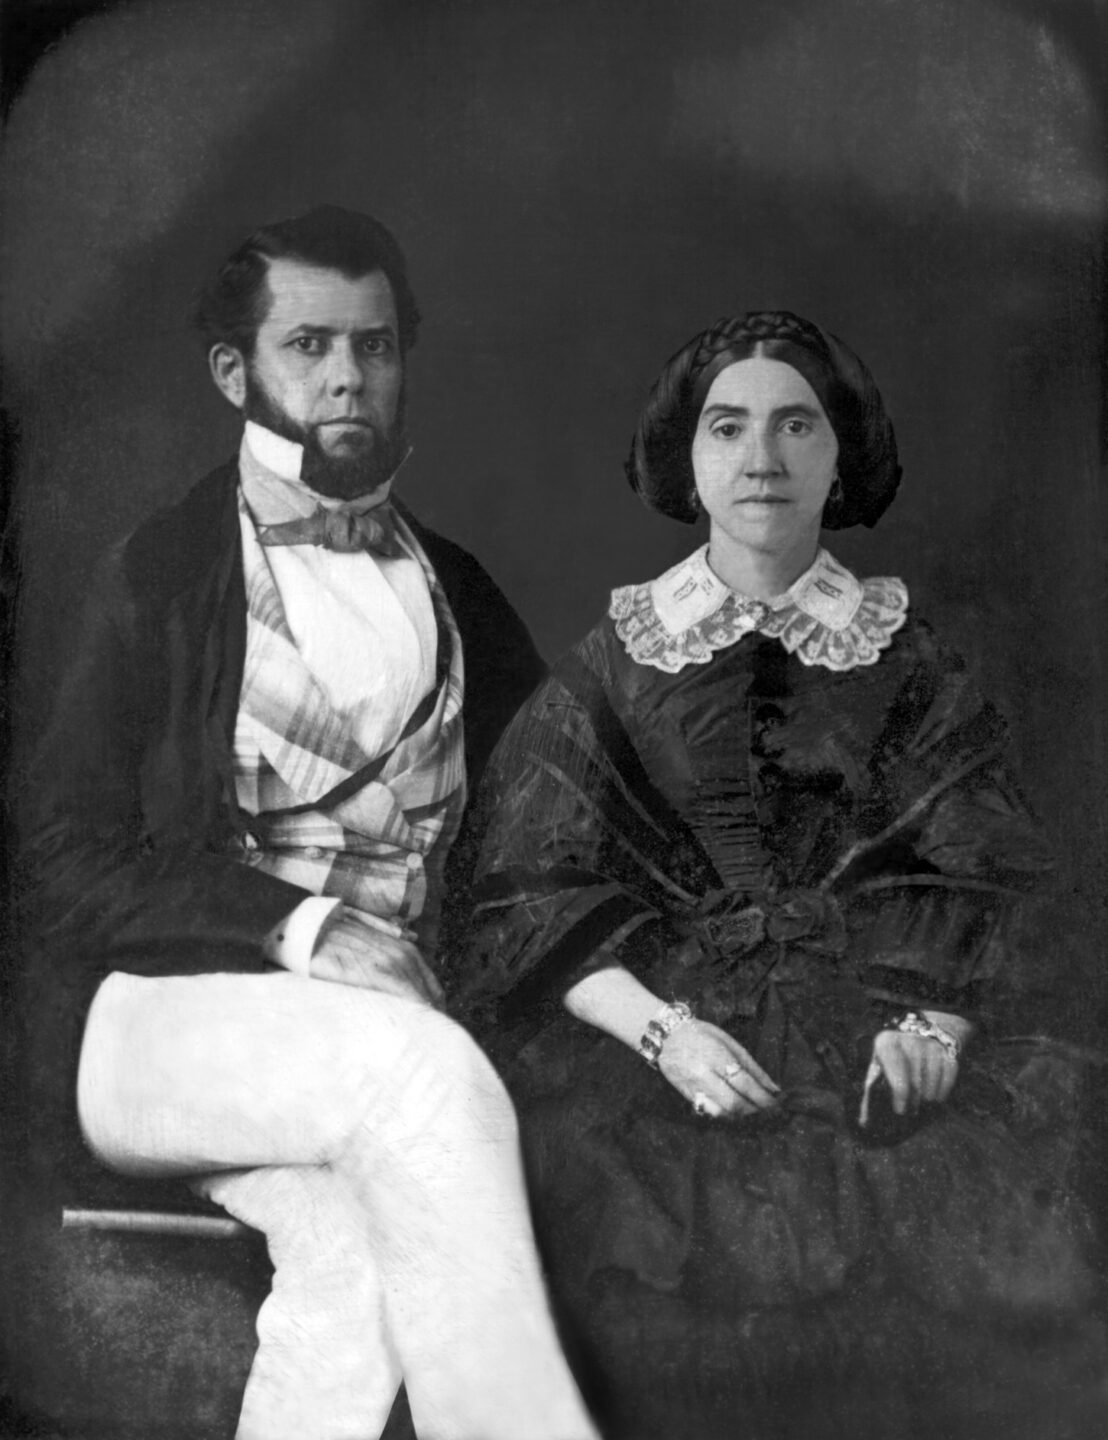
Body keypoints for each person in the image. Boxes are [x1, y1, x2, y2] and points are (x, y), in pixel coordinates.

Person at [451, 311, 1105, 1439]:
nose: (761, 458)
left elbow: (995, 880)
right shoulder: (612, 666)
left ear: (841, 455)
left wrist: (936, 1032)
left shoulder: (910, 661)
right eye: (728, 427)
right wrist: (663, 1035)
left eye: (796, 425)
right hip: (654, 1056)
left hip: (873, 1040)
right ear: (687, 457)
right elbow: (523, 892)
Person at [16, 206, 597, 1440]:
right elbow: (59, 861)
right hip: (154, 1030)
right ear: (234, 372)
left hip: (362, 1054)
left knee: (352, 1261)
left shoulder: (458, 593)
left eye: (374, 347)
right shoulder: (159, 575)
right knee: (426, 1077)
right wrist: (301, 927)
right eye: (310, 345)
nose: (348, 377)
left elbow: (559, 834)